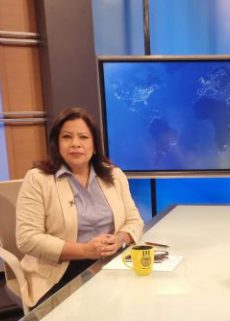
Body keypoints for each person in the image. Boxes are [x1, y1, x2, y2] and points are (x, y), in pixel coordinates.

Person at [16, 107, 144, 307]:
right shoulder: (38, 179)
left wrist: (119, 239)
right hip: (60, 272)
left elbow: (134, 220)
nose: (75, 143)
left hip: (110, 264)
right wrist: (85, 250)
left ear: (94, 145)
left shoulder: (114, 175)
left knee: (140, 303)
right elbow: (27, 238)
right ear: (56, 144)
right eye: (67, 137)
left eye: (83, 137)